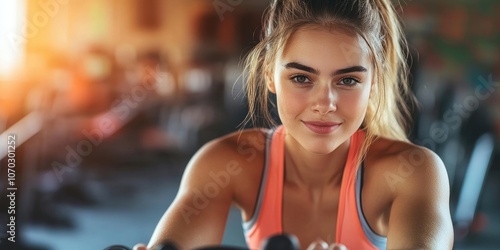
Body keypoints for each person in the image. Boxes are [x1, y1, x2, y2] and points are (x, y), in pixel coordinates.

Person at [135, 0, 454, 249]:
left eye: (348, 80)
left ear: (374, 83)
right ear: (269, 76)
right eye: (301, 78)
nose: (325, 103)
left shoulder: (413, 172)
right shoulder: (227, 163)